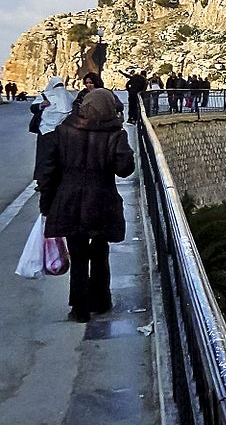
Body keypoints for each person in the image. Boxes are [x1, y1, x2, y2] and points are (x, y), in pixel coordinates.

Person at [37, 88, 135, 323]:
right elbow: (125, 169)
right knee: (100, 252)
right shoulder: (115, 135)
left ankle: (79, 308)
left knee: (78, 255)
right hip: (101, 201)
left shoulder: (63, 131)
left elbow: (49, 171)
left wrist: (46, 204)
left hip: (69, 201)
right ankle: (100, 300)